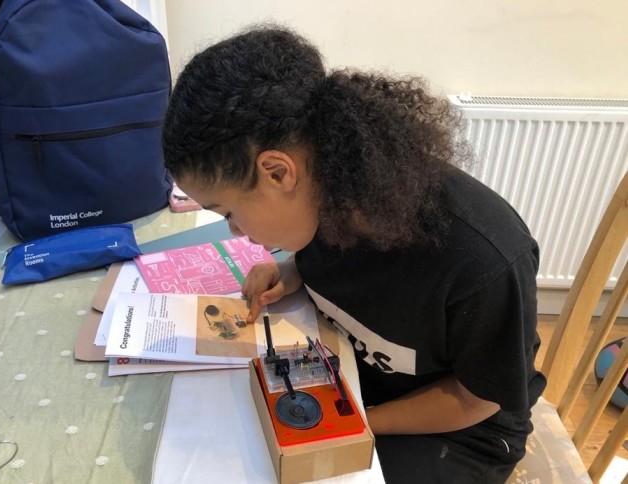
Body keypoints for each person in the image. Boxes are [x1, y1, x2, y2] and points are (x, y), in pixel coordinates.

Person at [162, 25, 547, 483]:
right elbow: (354, 275)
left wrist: (353, 419)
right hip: (356, 381)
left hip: (455, 432)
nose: (236, 232)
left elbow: (476, 399)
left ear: (278, 172)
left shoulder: (482, 260)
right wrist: (292, 270)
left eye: (228, 211)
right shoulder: (323, 199)